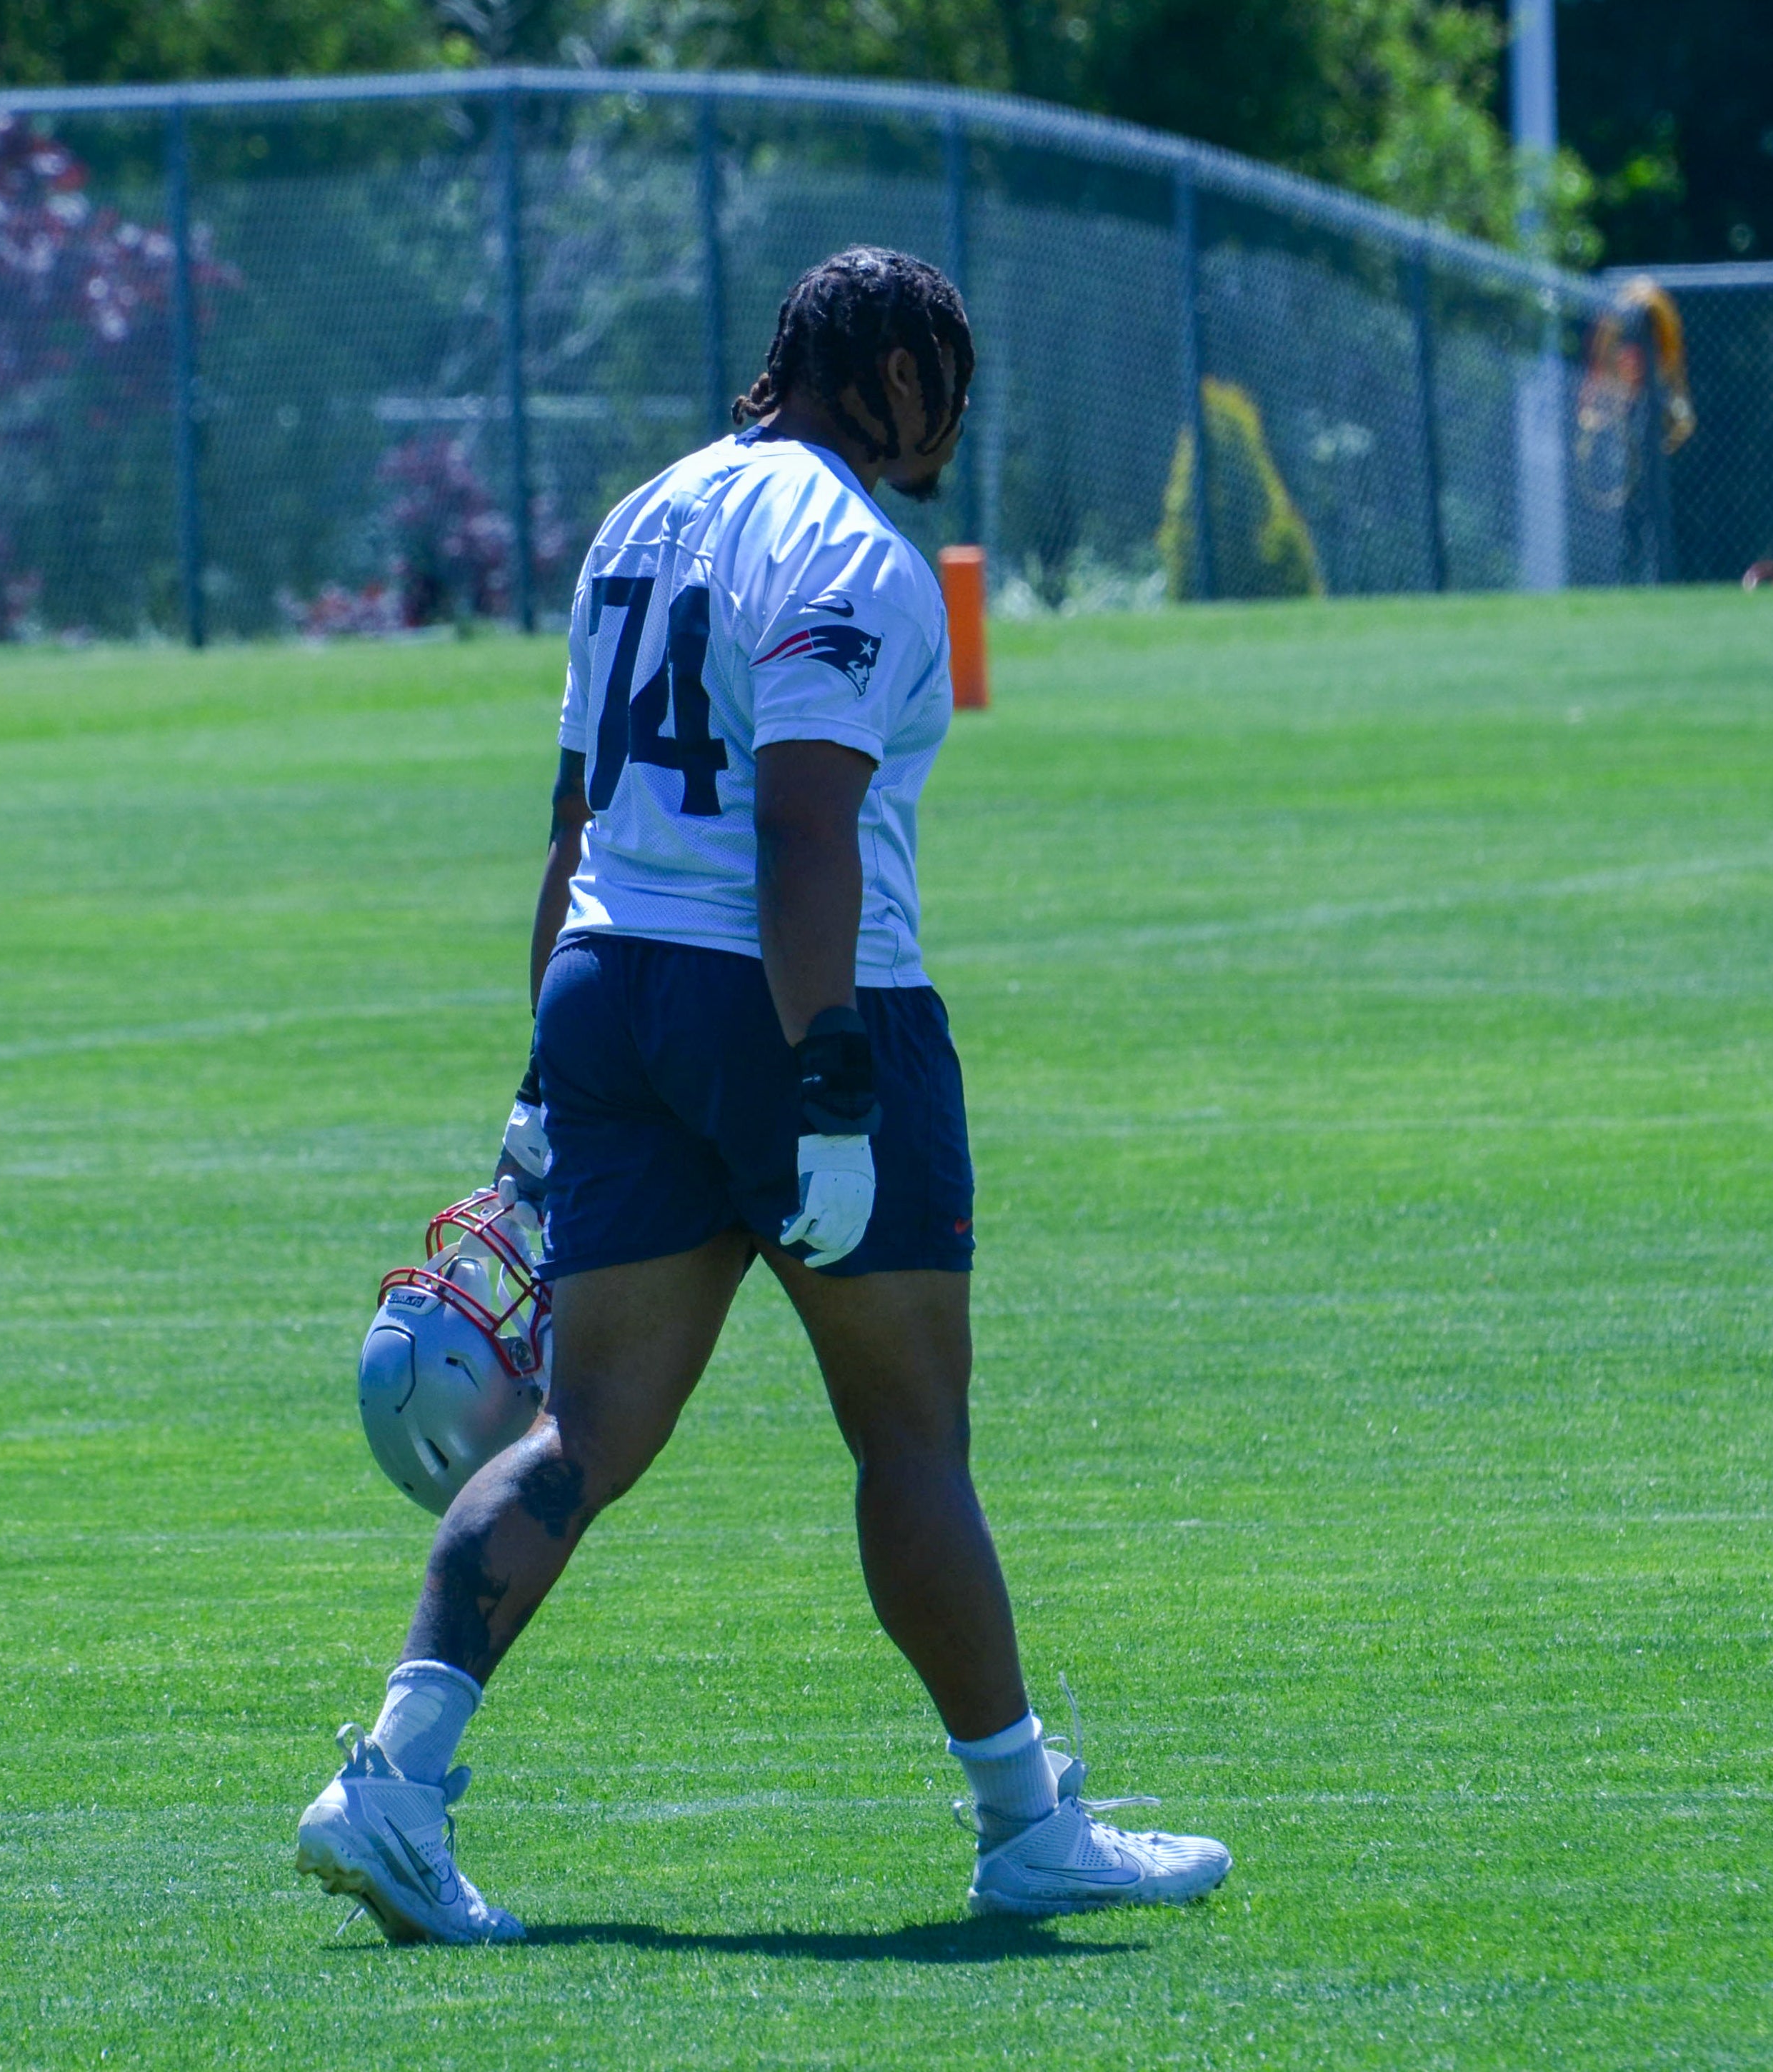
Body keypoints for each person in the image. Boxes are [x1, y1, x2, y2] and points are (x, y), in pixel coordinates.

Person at [298, 246, 1230, 1943]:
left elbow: (573, 829)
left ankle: (393, 1780)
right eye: (935, 373)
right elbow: (805, 835)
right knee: (910, 1435)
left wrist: (544, 1076)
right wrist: (836, 1083)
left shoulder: (642, 515)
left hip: (611, 984)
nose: (949, 408)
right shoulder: (845, 546)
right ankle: (1026, 1823)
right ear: (881, 377)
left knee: (583, 1435)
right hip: (781, 996)